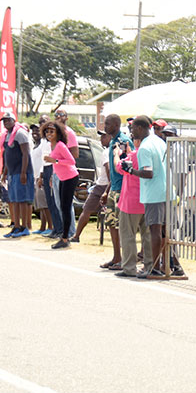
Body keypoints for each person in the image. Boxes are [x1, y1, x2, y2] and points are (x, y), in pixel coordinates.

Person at [124, 116, 168, 276]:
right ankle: (169, 266)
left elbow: (148, 173)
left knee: (155, 230)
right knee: (165, 231)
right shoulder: (159, 141)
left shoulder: (144, 147)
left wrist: (131, 170)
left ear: (141, 129)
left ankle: (155, 268)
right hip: (167, 191)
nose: (131, 131)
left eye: (133, 128)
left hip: (154, 194)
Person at [113, 136, 153, 278]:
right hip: (147, 200)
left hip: (131, 202)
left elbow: (118, 167)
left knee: (127, 235)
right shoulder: (150, 153)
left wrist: (117, 154)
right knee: (147, 236)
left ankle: (129, 267)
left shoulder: (134, 155)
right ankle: (149, 265)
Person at [100, 113, 133, 270]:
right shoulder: (113, 141)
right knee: (112, 223)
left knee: (122, 226)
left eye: (107, 124)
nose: (105, 127)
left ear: (116, 125)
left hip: (122, 189)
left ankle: (124, 259)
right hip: (114, 188)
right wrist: (106, 191)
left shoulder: (122, 142)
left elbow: (125, 166)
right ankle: (116, 257)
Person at [42, 120, 79, 249]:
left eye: (52, 131)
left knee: (65, 207)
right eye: (47, 131)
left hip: (70, 177)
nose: (49, 133)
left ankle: (65, 237)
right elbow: (55, 164)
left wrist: (55, 160)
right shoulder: (52, 146)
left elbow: (71, 161)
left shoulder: (60, 145)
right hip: (62, 177)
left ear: (58, 133)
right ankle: (64, 236)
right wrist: (53, 175)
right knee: (62, 207)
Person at [71, 131, 111, 242]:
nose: (102, 138)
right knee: (87, 209)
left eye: (104, 136)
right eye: (101, 136)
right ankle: (76, 236)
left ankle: (76, 236)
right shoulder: (106, 150)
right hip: (101, 184)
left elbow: (108, 170)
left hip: (105, 185)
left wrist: (108, 189)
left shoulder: (107, 152)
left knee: (109, 214)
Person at [0, 112, 34, 238]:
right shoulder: (7, 135)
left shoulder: (20, 133)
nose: (6, 123)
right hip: (12, 172)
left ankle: (25, 226)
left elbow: (25, 154)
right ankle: (16, 226)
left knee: (23, 200)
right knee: (14, 200)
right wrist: (4, 173)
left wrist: (24, 172)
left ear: (14, 120)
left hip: (21, 171)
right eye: (4, 121)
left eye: (8, 120)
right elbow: (8, 156)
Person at [51, 109, 78, 239]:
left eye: (61, 115)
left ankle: (71, 232)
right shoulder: (56, 135)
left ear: (66, 118)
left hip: (67, 173)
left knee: (67, 204)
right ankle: (64, 231)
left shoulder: (69, 133)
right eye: (56, 115)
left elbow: (74, 155)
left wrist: (59, 161)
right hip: (57, 173)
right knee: (59, 204)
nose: (58, 117)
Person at [29, 122, 52, 235]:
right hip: (36, 176)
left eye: (37, 130)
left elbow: (45, 160)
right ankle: (43, 226)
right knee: (41, 205)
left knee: (45, 204)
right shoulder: (35, 145)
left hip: (42, 176)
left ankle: (50, 226)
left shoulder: (44, 143)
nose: (34, 132)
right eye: (33, 130)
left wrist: (41, 176)